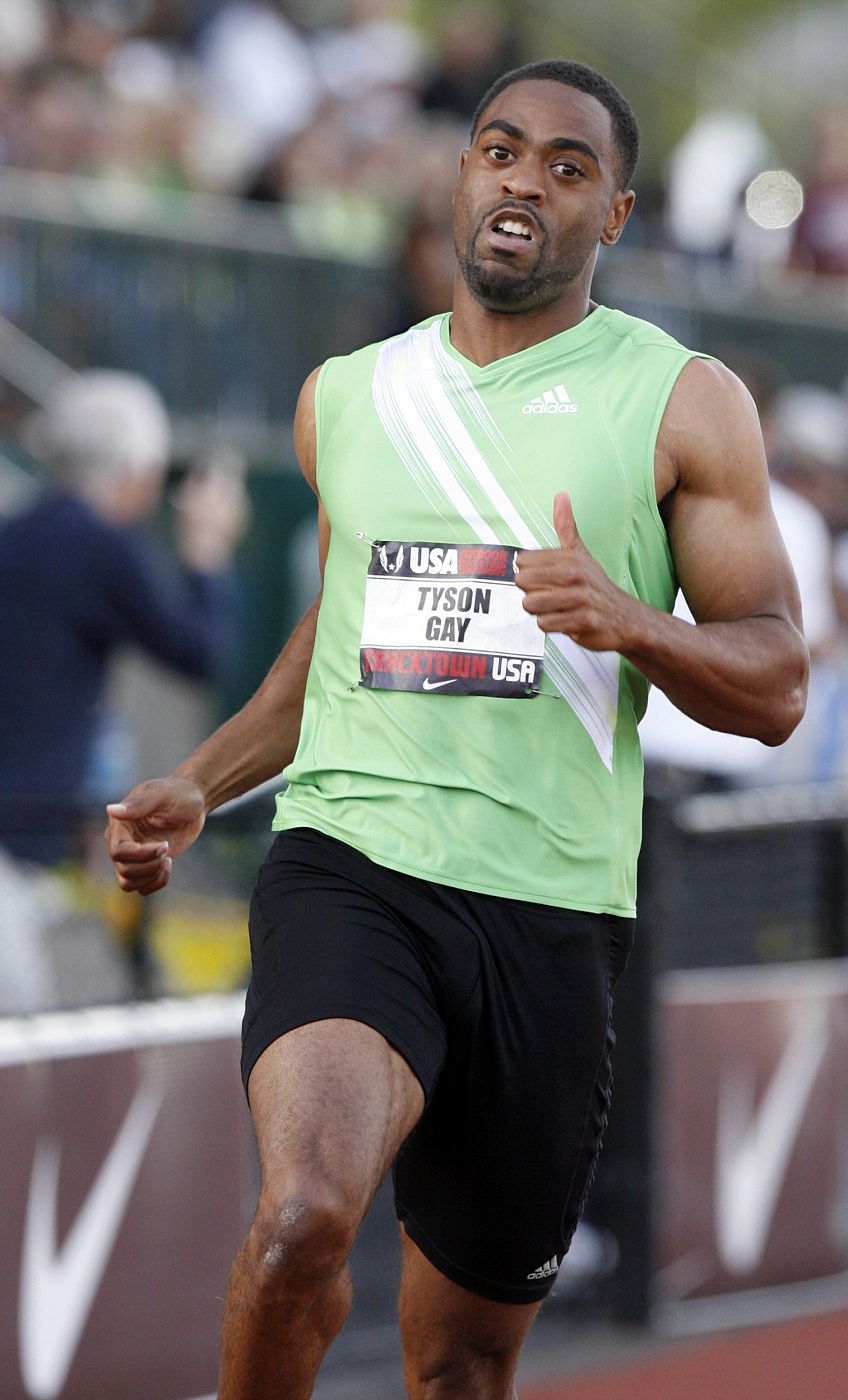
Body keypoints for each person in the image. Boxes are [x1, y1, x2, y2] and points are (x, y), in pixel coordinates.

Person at [106, 59, 807, 1400]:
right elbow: (329, 637)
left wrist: (631, 622)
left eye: (565, 167)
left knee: (464, 1365)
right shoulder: (349, 397)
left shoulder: (681, 400)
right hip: (353, 865)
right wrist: (202, 782)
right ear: (456, 176)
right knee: (305, 1217)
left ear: (615, 214)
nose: (522, 182)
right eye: (501, 150)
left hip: (550, 911)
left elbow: (775, 685)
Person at [0, 369, 247, 867]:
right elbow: (199, 651)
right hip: (19, 837)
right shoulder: (99, 546)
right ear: (136, 468)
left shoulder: (20, 532)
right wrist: (207, 551)